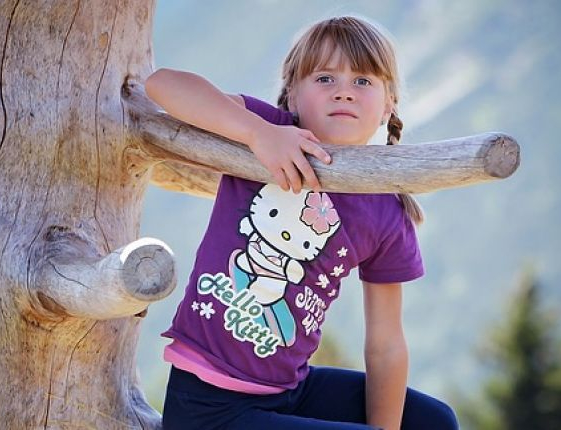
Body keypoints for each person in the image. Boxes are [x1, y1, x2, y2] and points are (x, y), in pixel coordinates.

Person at [145, 15, 459, 430]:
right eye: (325, 78)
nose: (344, 92)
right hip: (209, 408)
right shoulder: (270, 133)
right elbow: (163, 85)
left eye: (363, 81)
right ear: (292, 94)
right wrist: (257, 134)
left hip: (289, 392)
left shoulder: (387, 209)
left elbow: (385, 344)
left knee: (434, 422)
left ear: (388, 104)